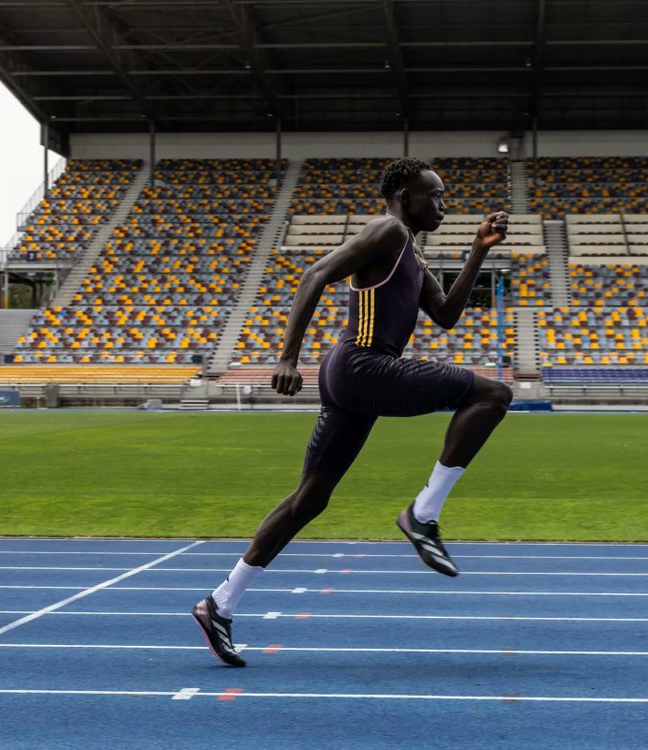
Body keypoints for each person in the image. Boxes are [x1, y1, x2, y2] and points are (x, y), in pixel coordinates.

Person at [191, 157, 513, 667]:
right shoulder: (387, 231)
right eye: (434, 195)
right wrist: (287, 356)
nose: (443, 205)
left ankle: (220, 603)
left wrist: (477, 250)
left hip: (354, 378)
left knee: (309, 499)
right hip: (364, 366)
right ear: (405, 197)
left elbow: (447, 316)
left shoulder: (411, 252)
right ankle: (423, 515)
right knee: (493, 395)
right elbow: (315, 273)